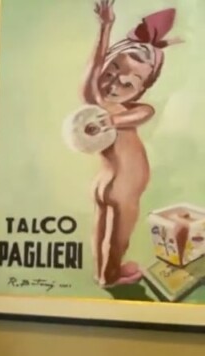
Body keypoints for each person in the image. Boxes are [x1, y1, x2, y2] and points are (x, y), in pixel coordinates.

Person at [82, 0, 179, 287]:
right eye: (110, 73)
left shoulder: (122, 109)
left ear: (141, 88)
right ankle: (111, 275)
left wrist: (106, 27)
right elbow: (94, 67)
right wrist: (105, 28)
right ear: (103, 68)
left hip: (106, 182)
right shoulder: (108, 109)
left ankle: (103, 272)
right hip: (123, 187)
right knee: (118, 237)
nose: (114, 85)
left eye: (128, 83)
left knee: (102, 230)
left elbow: (143, 111)